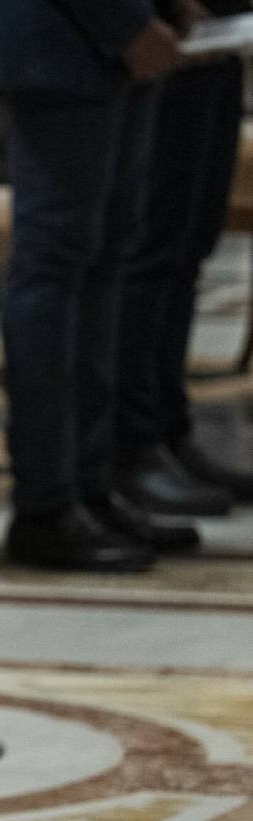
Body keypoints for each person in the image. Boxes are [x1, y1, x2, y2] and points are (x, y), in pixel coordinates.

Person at [0, 0, 189, 571]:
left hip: (114, 46)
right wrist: (126, 24)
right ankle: (45, 506)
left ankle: (91, 488)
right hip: (68, 39)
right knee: (55, 269)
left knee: (106, 263)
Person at [114, 0, 252, 517]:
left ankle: (170, 430)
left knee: (189, 246)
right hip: (157, 34)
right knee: (151, 252)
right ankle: (134, 442)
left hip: (213, 35)